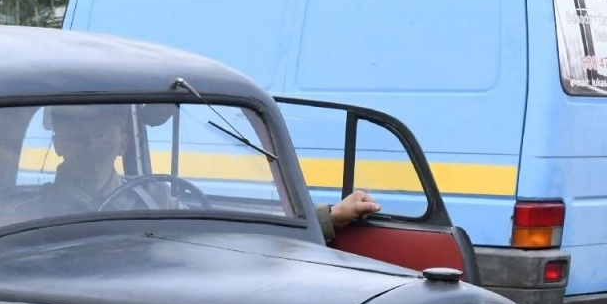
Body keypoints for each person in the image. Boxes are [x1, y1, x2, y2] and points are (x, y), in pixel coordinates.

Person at [23, 103, 383, 234]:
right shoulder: (32, 215)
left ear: (122, 142)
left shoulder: (156, 195)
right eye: (77, 134)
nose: (90, 144)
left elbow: (229, 228)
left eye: (102, 133)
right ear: (59, 144)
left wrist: (330, 216)